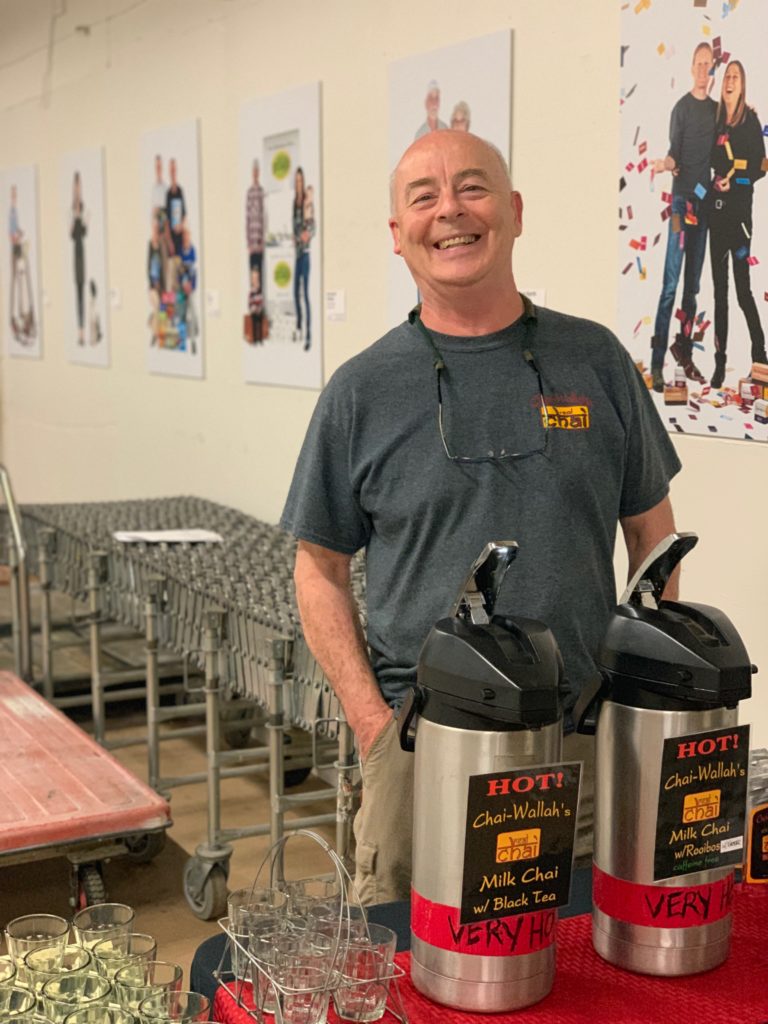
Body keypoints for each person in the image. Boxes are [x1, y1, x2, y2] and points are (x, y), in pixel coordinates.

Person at [281, 131, 681, 905]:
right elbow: (318, 570)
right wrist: (373, 729)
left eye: (473, 187)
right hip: (421, 746)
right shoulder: (361, 391)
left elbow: (653, 537)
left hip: (584, 748)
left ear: (514, 211)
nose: (450, 212)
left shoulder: (596, 360)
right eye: (423, 197)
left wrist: (636, 693)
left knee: (585, 976)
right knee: (406, 974)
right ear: (398, 236)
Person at [649, 42, 716, 392]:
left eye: (708, 64)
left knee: (693, 287)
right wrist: (665, 164)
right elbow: (675, 152)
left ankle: (683, 351)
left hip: (704, 208)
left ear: (713, 69)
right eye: (699, 64)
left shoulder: (718, 112)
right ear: (692, 68)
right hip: (680, 206)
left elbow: (731, 134)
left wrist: (747, 110)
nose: (703, 70)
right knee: (670, 284)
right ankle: (657, 362)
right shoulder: (682, 108)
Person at [708, 60, 767, 387]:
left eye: (736, 77)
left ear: (742, 84)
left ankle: (761, 357)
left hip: (740, 218)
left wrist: (737, 180)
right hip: (716, 218)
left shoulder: (751, 119)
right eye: (727, 76)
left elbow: (763, 165)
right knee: (719, 293)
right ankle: (720, 364)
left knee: (743, 291)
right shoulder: (715, 121)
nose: (730, 81)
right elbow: (705, 165)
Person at [291, 167, 314, 351]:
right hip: (296, 254)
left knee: (305, 295)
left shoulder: (307, 203)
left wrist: (306, 235)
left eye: (300, 181)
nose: (298, 184)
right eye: (296, 181)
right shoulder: (294, 203)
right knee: (294, 293)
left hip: (305, 254)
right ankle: (298, 326)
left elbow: (311, 228)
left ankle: (308, 335)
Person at [70, 171, 87, 346]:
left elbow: (83, 232)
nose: (78, 190)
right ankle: (80, 331)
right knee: (78, 294)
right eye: (76, 186)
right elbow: (72, 234)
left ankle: (82, 331)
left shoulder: (81, 210)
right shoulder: (72, 214)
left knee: (83, 292)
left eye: (79, 186)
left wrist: (82, 218)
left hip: (82, 257)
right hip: (76, 258)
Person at [246, 160, 266, 288]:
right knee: (252, 275)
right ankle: (253, 305)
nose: (255, 173)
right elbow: (247, 217)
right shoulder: (249, 192)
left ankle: (260, 305)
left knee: (261, 275)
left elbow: (263, 216)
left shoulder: (261, 191)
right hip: (252, 243)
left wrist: (262, 240)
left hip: (260, 242)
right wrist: (248, 242)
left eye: (257, 171)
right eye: (254, 171)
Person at [165, 157, 186, 258]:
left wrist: (181, 226)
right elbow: (167, 221)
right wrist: (169, 242)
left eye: (174, 169)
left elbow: (184, 215)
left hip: (180, 236)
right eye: (171, 169)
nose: (173, 172)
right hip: (172, 238)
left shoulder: (180, 191)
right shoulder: (168, 194)